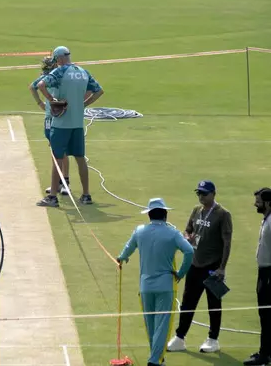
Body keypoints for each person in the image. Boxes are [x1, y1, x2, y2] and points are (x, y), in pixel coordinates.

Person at [117, 197, 194, 366]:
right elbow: (189, 252)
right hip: (165, 286)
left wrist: (121, 258)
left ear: (149, 215)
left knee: (151, 325)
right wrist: (181, 273)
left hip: (145, 286)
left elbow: (127, 249)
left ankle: (158, 358)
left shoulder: (139, 231)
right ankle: (155, 360)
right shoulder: (172, 233)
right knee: (162, 326)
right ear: (165, 215)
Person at [167, 180, 233, 353]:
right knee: (188, 301)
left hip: (213, 266)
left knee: (214, 304)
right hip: (195, 264)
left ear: (213, 194)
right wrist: (188, 237)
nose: (201, 197)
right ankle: (180, 337)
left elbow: (227, 242)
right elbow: (188, 229)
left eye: (204, 193)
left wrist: (222, 268)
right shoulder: (196, 210)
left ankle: (213, 339)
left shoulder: (223, 214)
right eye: (199, 193)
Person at [36, 46, 104, 207]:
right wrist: (83, 105)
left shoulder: (59, 72)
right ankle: (86, 195)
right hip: (77, 123)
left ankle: (52, 197)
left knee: (57, 159)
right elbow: (99, 91)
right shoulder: (82, 71)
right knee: (80, 158)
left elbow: (41, 85)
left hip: (61, 124)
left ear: (59, 59)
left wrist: (51, 100)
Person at [29, 56, 70, 201]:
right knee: (55, 150)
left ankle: (65, 182)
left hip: (59, 116)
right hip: (49, 118)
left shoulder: (61, 77)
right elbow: (32, 87)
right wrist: (40, 103)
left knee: (62, 150)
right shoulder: (47, 78)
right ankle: (58, 183)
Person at [244, 187, 271, 365]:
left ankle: (264, 355)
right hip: (265, 272)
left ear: (268, 202)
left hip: (269, 274)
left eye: (258, 201)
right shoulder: (267, 219)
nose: (255, 204)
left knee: (267, 315)